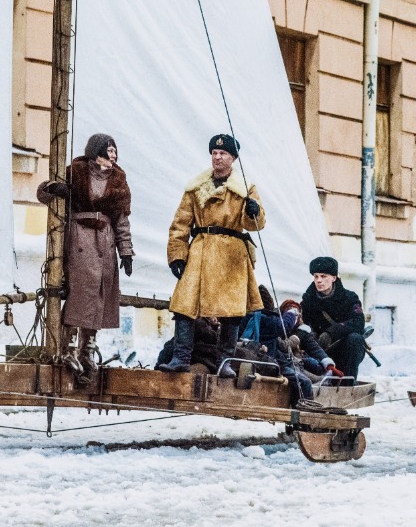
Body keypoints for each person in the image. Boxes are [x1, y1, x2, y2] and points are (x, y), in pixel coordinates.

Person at [159, 134, 265, 376]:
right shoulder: (195, 188)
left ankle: (224, 362)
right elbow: (180, 223)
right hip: (200, 249)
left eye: (223, 154)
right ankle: (181, 358)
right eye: (214, 153)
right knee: (183, 306)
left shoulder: (246, 188)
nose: (217, 157)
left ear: (233, 158)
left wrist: (253, 211)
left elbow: (256, 225)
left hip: (232, 254)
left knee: (232, 313)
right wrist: (177, 254)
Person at [37, 133, 134, 385]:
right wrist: (53, 189)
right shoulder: (75, 172)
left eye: (115, 151)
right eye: (108, 150)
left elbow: (122, 219)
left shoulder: (118, 180)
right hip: (80, 239)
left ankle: (87, 350)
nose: (113, 155)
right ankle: (68, 349)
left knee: (99, 296)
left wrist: (126, 252)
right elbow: (43, 195)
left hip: (106, 241)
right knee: (80, 292)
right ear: (96, 152)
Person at [301, 256, 367, 378]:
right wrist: (312, 335)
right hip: (319, 350)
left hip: (344, 349)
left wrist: (331, 333)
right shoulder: (308, 300)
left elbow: (358, 322)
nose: (319, 281)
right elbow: (303, 323)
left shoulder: (349, 298)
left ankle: (348, 384)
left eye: (323, 276)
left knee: (355, 339)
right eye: (316, 276)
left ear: (334, 277)